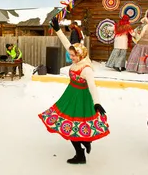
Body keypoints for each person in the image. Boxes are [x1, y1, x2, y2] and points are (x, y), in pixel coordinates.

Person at [38, 16, 110, 164]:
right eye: (70, 55)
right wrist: (58, 29)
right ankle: (85, 142)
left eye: (73, 56)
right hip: (71, 94)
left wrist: (97, 103)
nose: (71, 58)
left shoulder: (86, 68)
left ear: (81, 55)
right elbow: (67, 43)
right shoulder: (77, 56)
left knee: (72, 126)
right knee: (69, 124)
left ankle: (80, 154)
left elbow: (92, 86)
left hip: (81, 98)